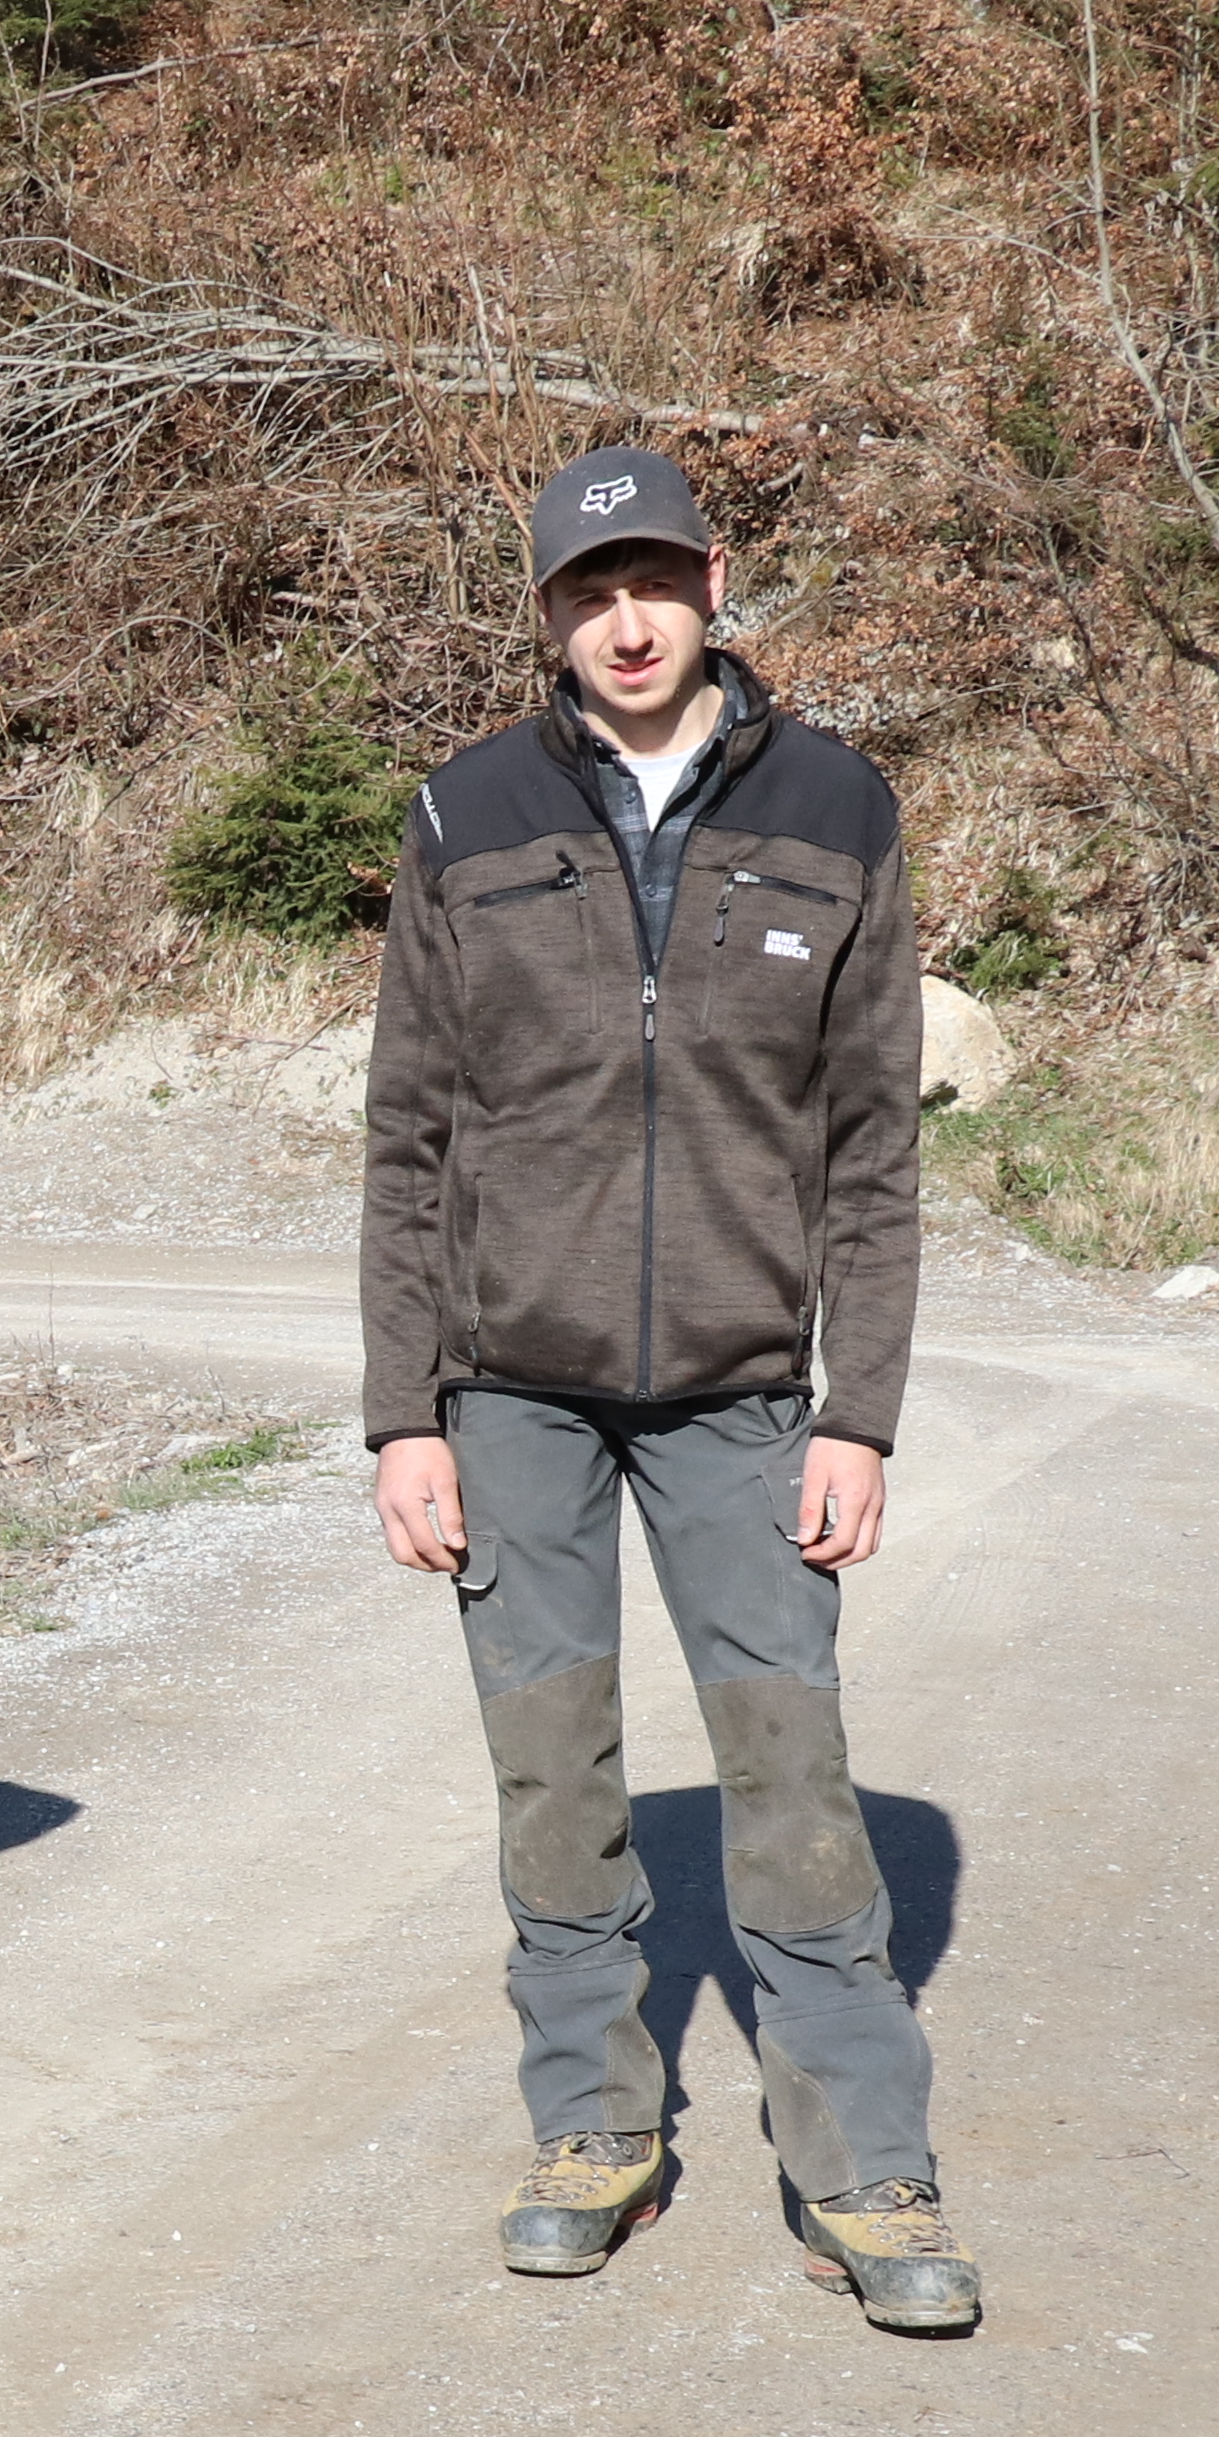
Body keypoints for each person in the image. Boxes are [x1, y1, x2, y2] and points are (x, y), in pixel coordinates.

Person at [357, 444, 976, 2335]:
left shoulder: (834, 806)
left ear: (713, 582)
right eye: (586, 590)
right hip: (511, 1391)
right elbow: (408, 1137)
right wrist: (404, 1414)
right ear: (547, 609)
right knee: (554, 1771)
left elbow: (872, 1145)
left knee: (789, 1769)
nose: (624, 623)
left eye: (652, 583)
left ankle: (863, 2159)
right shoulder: (464, 812)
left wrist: (859, 1411)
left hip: (741, 1391)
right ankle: (591, 2127)